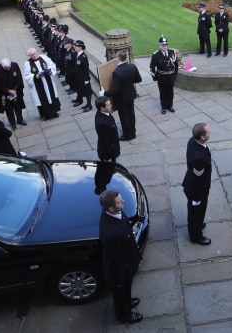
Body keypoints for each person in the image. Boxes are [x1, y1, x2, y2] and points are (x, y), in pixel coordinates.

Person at [98, 189, 143, 324]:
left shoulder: (113, 213)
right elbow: (114, 260)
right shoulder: (112, 235)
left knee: (126, 290)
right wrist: (119, 279)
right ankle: (125, 315)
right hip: (121, 271)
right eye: (119, 202)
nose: (123, 201)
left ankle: (127, 302)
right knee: (121, 292)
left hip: (126, 264)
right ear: (111, 208)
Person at [101, 50, 141, 141]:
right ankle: (133, 132)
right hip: (131, 95)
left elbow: (116, 90)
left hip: (122, 98)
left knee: (124, 117)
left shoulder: (117, 72)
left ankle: (127, 135)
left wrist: (104, 93)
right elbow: (139, 79)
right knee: (131, 114)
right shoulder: (132, 66)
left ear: (118, 58)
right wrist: (128, 82)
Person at [183, 123, 212, 245]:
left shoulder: (193, 140)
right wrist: (196, 198)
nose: (210, 133)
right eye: (208, 132)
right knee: (195, 212)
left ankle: (199, 224)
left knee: (200, 211)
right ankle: (195, 236)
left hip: (198, 186)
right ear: (202, 137)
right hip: (197, 190)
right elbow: (197, 179)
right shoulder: (198, 159)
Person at [24, 47, 61, 121]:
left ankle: (54, 112)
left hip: (48, 81)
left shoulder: (44, 57)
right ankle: (45, 115)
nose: (34, 56)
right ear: (29, 56)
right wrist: (36, 76)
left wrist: (50, 71)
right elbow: (26, 75)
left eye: (34, 54)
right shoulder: (27, 63)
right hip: (38, 84)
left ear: (37, 52)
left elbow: (52, 65)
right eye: (31, 55)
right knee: (41, 99)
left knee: (51, 95)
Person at [0, 58, 27, 129]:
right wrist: (8, 91)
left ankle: (20, 120)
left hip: (15, 91)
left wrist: (15, 89)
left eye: (9, 67)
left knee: (18, 106)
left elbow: (18, 78)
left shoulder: (14, 65)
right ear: (2, 66)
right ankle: (12, 122)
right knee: (8, 108)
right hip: (4, 93)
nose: (9, 69)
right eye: (7, 68)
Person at [149, 36, 178, 114]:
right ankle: (164, 107)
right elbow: (152, 68)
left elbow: (176, 65)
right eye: (163, 45)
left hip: (171, 76)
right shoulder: (156, 55)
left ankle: (170, 106)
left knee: (170, 92)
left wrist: (174, 76)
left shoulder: (172, 52)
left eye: (165, 44)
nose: (165, 46)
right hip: (162, 77)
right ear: (159, 46)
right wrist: (156, 78)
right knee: (163, 93)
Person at [95, 96, 120, 163]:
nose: (111, 105)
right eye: (108, 105)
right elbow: (106, 140)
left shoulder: (103, 113)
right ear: (102, 108)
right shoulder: (101, 123)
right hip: (108, 151)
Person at [72, 40, 93, 112]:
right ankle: (86, 104)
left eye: (76, 46)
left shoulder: (83, 56)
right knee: (81, 90)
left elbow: (86, 68)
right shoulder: (77, 54)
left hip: (84, 78)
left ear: (80, 47)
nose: (75, 47)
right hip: (79, 77)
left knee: (87, 92)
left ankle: (89, 105)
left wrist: (86, 79)